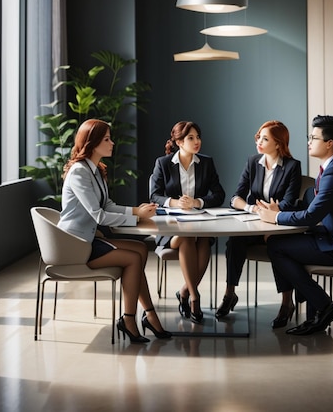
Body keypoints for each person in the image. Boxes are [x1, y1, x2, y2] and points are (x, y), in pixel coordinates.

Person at [58, 119, 171, 344]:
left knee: (140, 249)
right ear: (92, 143)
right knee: (132, 259)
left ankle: (149, 315)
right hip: (74, 245)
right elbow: (98, 215)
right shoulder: (80, 172)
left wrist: (137, 209)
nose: (112, 142)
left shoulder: (96, 170)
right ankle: (129, 319)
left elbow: (107, 205)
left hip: (87, 239)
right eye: (107, 139)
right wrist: (138, 216)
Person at [257, 114, 333, 335]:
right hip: (330, 235)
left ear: (329, 143)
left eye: (313, 138)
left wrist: (274, 218)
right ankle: (311, 305)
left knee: (276, 247)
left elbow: (310, 216)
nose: (308, 142)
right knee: (277, 241)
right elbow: (313, 206)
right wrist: (280, 209)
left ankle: (324, 306)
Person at [216, 120, 302, 327]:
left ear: (279, 144)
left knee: (276, 246)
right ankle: (230, 294)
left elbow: (289, 203)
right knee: (234, 242)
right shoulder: (253, 162)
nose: (259, 142)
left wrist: (274, 210)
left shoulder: (292, 167)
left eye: (265, 138)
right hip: (255, 222)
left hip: (278, 226)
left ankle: (286, 303)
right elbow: (235, 198)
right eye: (258, 137)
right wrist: (252, 208)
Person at [149, 121, 225, 323]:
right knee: (187, 237)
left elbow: (219, 194)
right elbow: (153, 196)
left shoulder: (206, 163)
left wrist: (197, 202)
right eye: (191, 138)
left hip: (198, 223)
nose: (197, 141)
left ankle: (185, 291)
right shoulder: (163, 163)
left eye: (198, 137)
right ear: (179, 142)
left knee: (203, 239)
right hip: (171, 228)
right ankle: (194, 297)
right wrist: (174, 202)